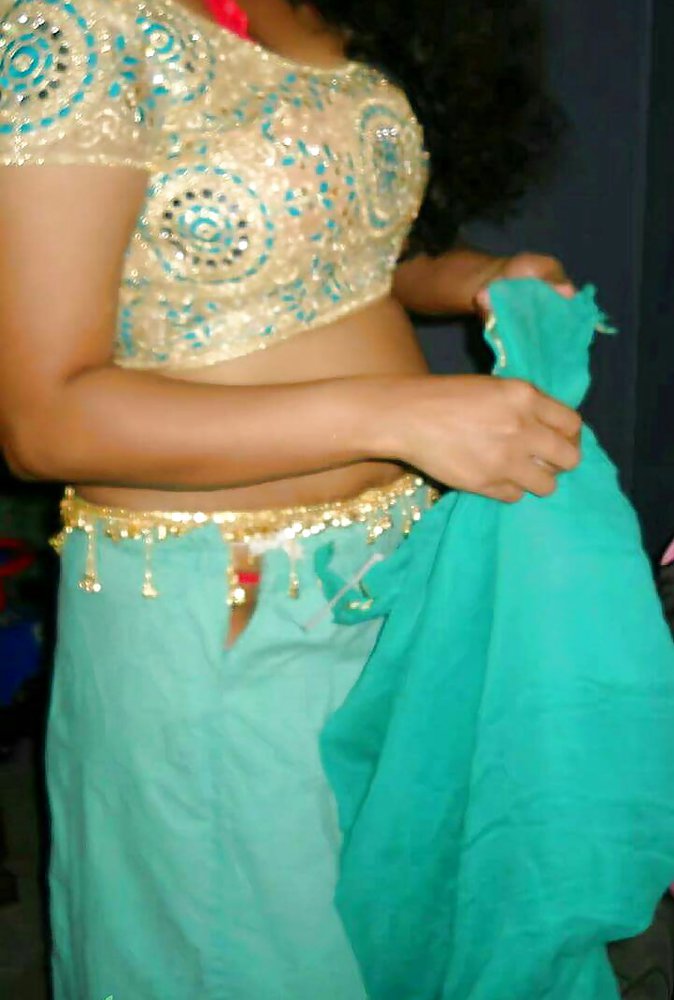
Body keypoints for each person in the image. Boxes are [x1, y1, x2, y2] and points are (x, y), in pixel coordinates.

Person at [0, 0, 581, 996]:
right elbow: (43, 421)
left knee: (387, 937)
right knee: (245, 952)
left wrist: (474, 277)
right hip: (220, 604)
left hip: (396, 570)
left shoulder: (320, 9)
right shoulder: (81, 25)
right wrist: (392, 415)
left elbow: (326, 252)